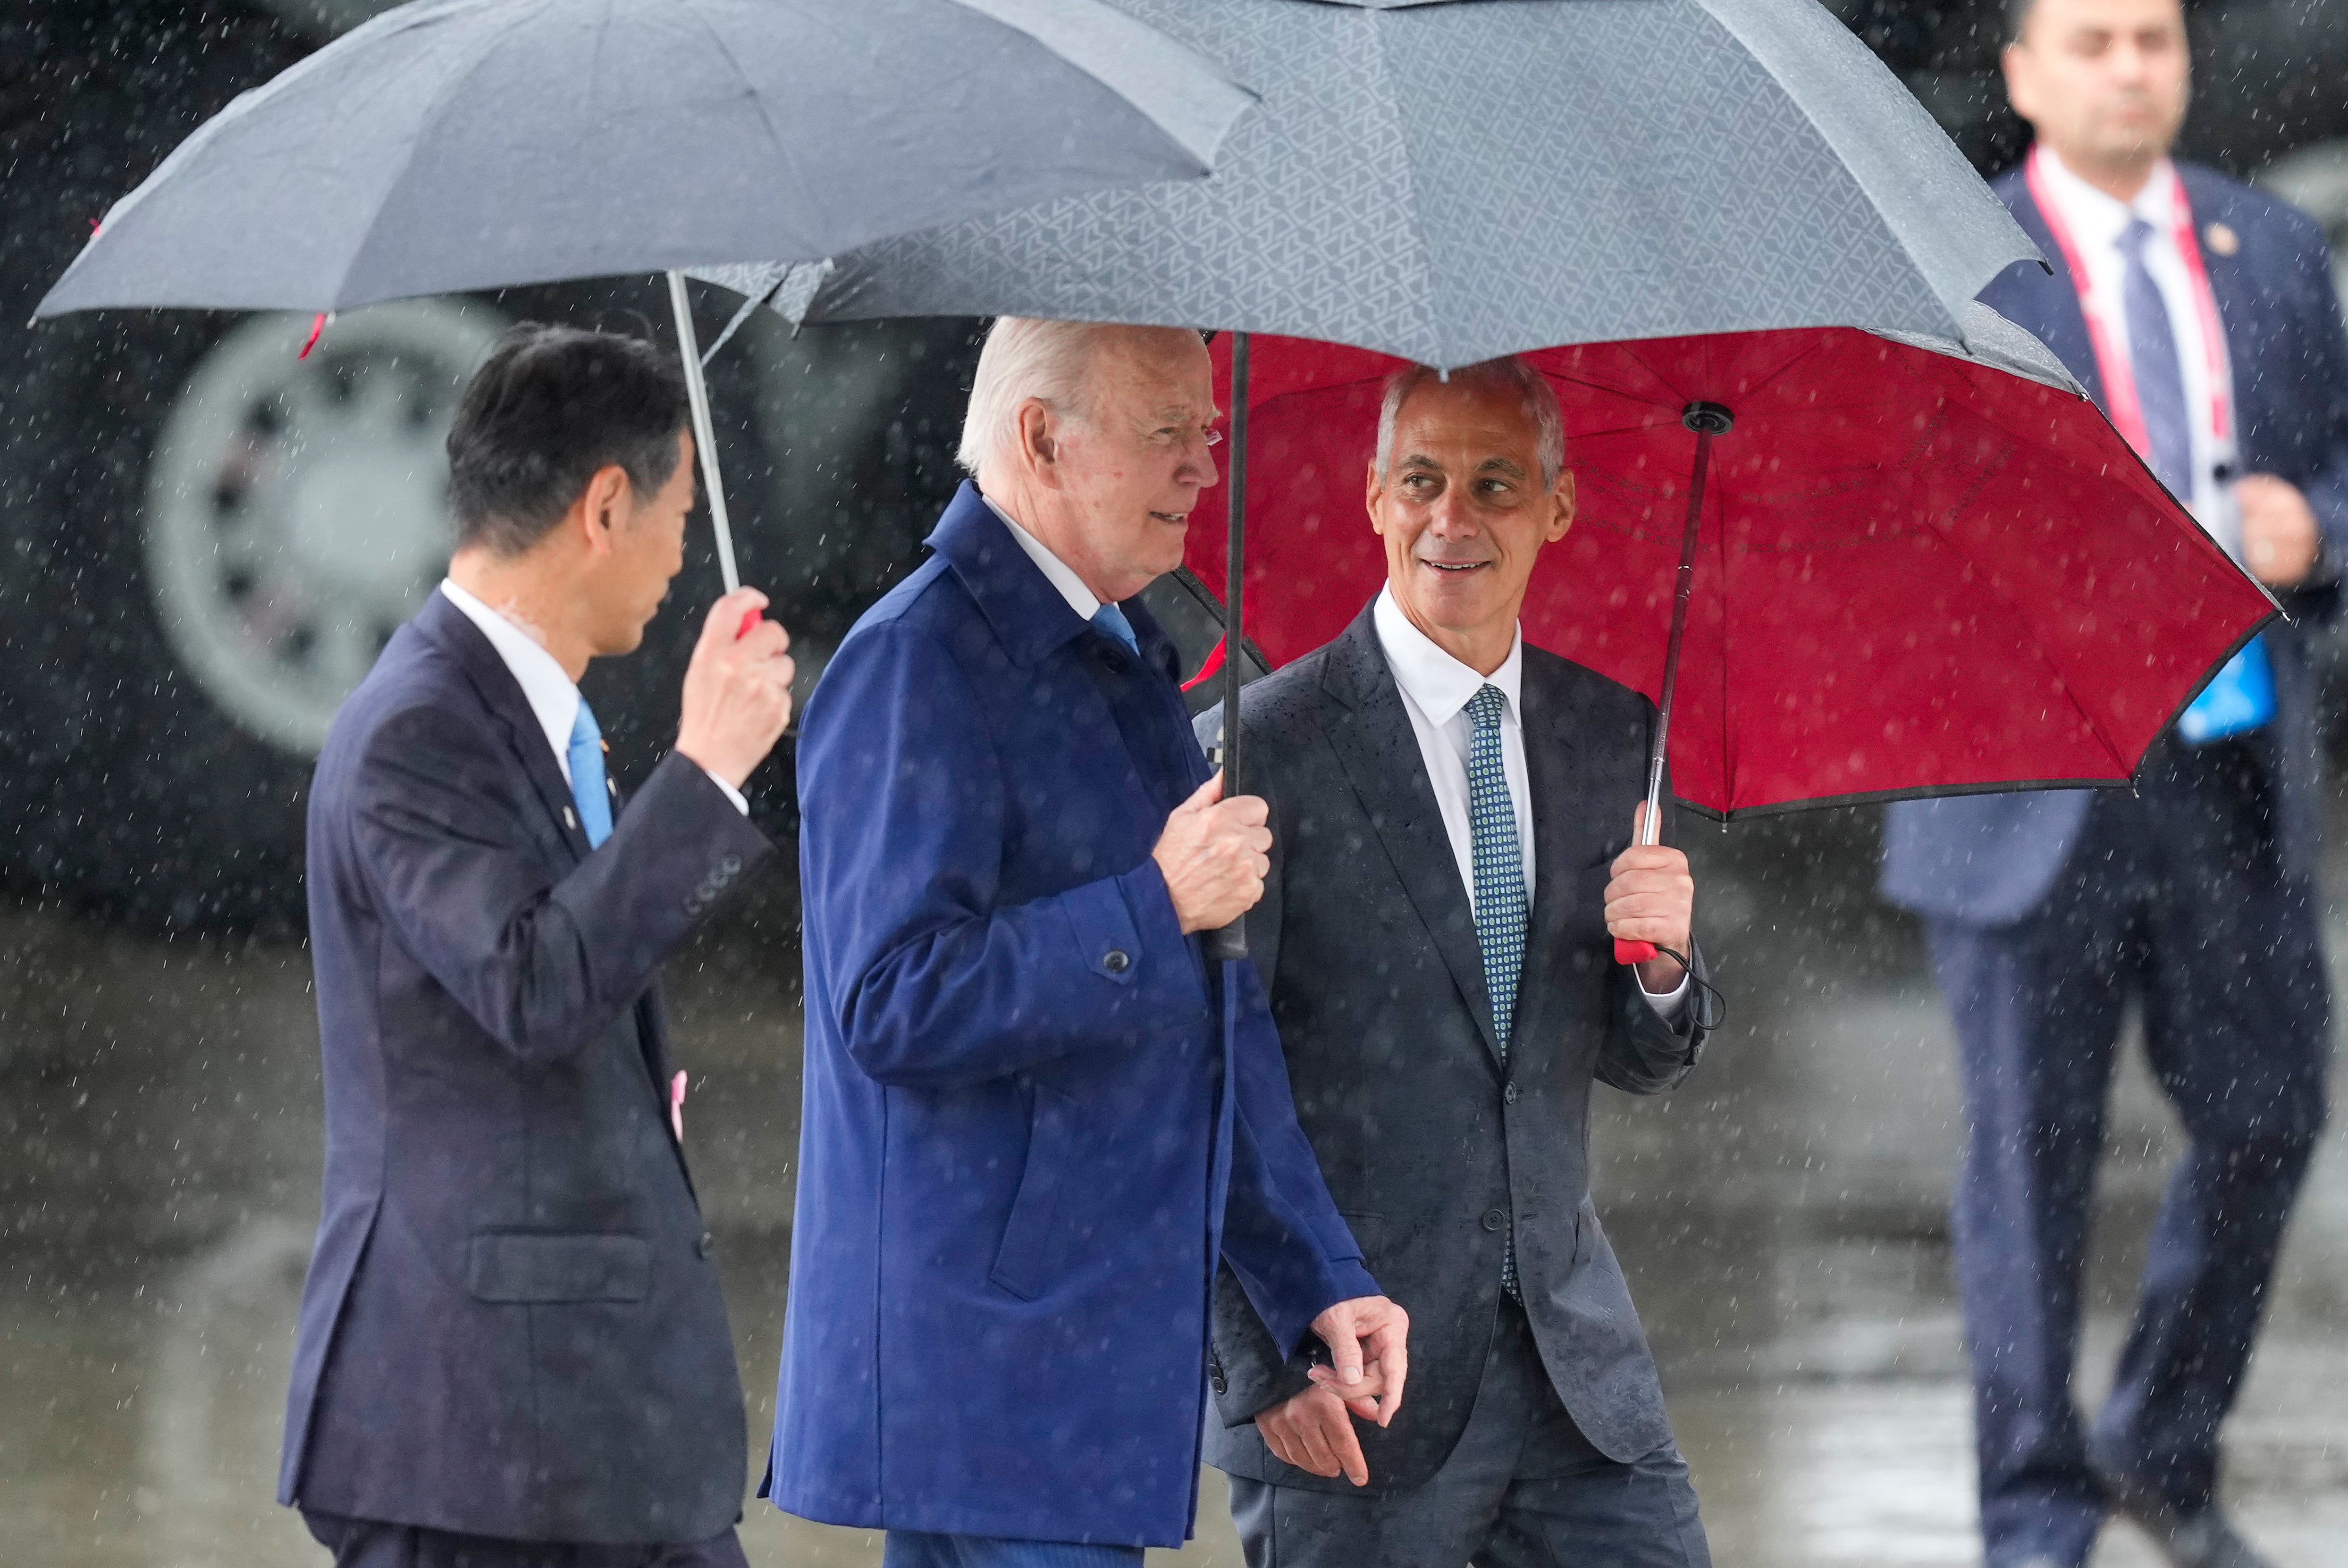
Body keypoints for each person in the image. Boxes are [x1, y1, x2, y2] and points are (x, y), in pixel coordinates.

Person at [774, 317, 1410, 1568]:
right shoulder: (917, 661)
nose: (1204, 470)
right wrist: (1149, 906)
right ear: (1040, 439)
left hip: (1072, 1363)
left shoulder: (1122, 654)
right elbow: (893, 1000)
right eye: (1169, 431)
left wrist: (1312, 1277)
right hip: (987, 1366)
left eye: (1210, 432)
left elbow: (1214, 1017)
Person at [1879, 1, 2348, 1565]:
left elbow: (2338, 463)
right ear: (2020, 74)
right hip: (2027, 784)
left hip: (2226, 771)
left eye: (2149, 36)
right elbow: (1878, 528)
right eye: (2089, 40)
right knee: (2026, 1163)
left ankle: (2163, 1438)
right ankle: (2031, 1510)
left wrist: (2316, 533)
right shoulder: (1947, 273)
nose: (2129, 67)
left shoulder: (2271, 253)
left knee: (2270, 1116)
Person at [278, 323, 796, 1568]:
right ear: (604, 506)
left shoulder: (516, 711)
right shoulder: (420, 727)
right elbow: (534, 983)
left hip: (582, 1432)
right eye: (677, 512)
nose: (684, 552)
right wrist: (706, 773)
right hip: (483, 1440)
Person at [1197, 357, 1718, 1567]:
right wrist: (1264, 1362)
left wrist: (1663, 969)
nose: (1453, 518)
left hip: (1576, 1370)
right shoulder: (1257, 750)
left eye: (1495, 484)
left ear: (1558, 506)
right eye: (1422, 480)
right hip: (1354, 1381)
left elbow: (1637, 1060)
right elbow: (1198, 1084)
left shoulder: (1612, 735)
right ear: (1373, 495)